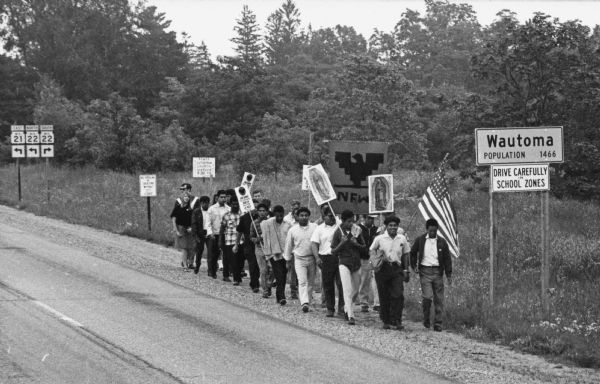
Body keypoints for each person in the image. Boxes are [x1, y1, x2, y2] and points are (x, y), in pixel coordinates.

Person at [410, 218, 453, 332]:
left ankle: (438, 323)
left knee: (439, 298)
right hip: (425, 272)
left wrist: (448, 274)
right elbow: (413, 252)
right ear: (427, 230)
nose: (433, 233)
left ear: (437, 230)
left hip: (438, 272)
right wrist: (413, 265)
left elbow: (447, 258)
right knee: (427, 297)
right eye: (431, 231)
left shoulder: (442, 242)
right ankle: (426, 318)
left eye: (434, 231)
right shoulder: (420, 240)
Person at [369, 215, 410, 330]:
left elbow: (406, 254)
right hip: (382, 269)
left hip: (396, 269)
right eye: (390, 225)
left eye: (395, 225)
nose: (393, 227)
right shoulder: (379, 238)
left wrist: (406, 270)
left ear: (398, 227)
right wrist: (375, 261)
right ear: (386, 226)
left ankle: (397, 320)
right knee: (384, 295)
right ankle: (386, 320)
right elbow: (371, 250)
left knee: (398, 295)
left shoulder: (402, 238)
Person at [331, 210, 365, 325]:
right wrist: (341, 243)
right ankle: (351, 315)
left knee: (355, 290)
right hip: (344, 263)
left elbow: (364, 247)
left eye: (352, 221)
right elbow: (333, 251)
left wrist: (356, 243)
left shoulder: (356, 230)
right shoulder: (338, 232)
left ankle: (347, 307)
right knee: (347, 289)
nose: (351, 224)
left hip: (356, 263)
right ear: (343, 221)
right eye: (349, 221)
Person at [311, 207, 345, 318]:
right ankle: (330, 308)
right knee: (328, 284)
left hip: (339, 257)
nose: (332, 218)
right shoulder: (319, 229)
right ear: (324, 216)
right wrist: (317, 258)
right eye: (330, 216)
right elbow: (314, 244)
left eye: (334, 216)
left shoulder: (340, 226)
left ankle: (342, 308)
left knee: (341, 284)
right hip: (325, 258)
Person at [284, 207, 318, 312]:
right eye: (301, 215)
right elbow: (288, 246)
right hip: (299, 258)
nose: (304, 217)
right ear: (297, 217)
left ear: (309, 216)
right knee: (302, 281)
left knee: (311, 282)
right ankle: (304, 302)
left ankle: (308, 301)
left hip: (312, 258)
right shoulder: (293, 230)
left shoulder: (315, 227)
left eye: (306, 215)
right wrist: (288, 260)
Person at [260, 205, 292, 305]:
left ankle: (279, 296)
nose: (279, 217)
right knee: (279, 275)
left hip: (285, 254)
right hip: (274, 254)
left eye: (281, 215)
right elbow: (265, 237)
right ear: (274, 214)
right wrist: (267, 253)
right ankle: (282, 296)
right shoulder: (268, 223)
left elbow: (290, 240)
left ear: (283, 214)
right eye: (277, 215)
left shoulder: (288, 224)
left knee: (283, 274)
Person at [170, 183, 198, 270]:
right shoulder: (178, 201)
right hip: (182, 227)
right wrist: (176, 229)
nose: (182, 190)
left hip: (191, 226)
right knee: (185, 247)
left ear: (189, 189)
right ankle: (186, 262)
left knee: (193, 246)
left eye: (184, 189)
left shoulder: (195, 200)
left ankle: (190, 262)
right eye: (181, 189)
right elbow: (175, 216)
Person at [251, 203, 274, 297]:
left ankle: (269, 284)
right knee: (263, 270)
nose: (262, 213)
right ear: (257, 212)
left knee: (273, 269)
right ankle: (265, 290)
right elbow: (251, 237)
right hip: (260, 248)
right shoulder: (254, 223)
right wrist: (257, 239)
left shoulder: (271, 222)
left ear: (267, 212)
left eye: (264, 211)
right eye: (260, 211)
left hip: (271, 248)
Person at [357, 215, 379, 312]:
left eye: (372, 219)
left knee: (376, 281)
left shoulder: (377, 229)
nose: (371, 220)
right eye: (369, 218)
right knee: (364, 280)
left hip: (375, 258)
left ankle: (377, 303)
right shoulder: (358, 228)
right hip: (363, 257)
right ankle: (363, 302)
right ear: (364, 218)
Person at [206, 190, 230, 278]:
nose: (223, 199)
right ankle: (212, 271)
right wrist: (210, 233)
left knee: (226, 254)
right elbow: (208, 223)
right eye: (222, 197)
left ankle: (226, 275)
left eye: (225, 197)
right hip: (215, 234)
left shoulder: (228, 209)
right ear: (217, 198)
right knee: (214, 254)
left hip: (225, 234)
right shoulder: (212, 209)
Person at [237, 203, 260, 292]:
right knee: (252, 264)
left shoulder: (261, 218)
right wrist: (237, 243)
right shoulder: (244, 218)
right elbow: (239, 231)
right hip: (248, 245)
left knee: (258, 265)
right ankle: (254, 284)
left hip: (259, 244)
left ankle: (256, 281)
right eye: (253, 207)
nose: (255, 209)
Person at [221, 198, 242, 284]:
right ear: (231, 205)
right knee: (231, 260)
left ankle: (238, 276)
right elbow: (222, 228)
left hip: (240, 241)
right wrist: (220, 241)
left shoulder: (242, 215)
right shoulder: (226, 215)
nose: (235, 206)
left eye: (237, 204)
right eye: (233, 204)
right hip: (229, 241)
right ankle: (235, 279)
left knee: (239, 260)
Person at [191, 195, 211, 274]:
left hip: (209, 234)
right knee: (199, 252)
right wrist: (195, 236)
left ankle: (210, 270)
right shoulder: (196, 211)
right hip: (200, 234)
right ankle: (197, 266)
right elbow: (194, 224)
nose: (206, 205)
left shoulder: (211, 210)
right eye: (204, 203)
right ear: (201, 203)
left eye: (207, 203)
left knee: (210, 252)